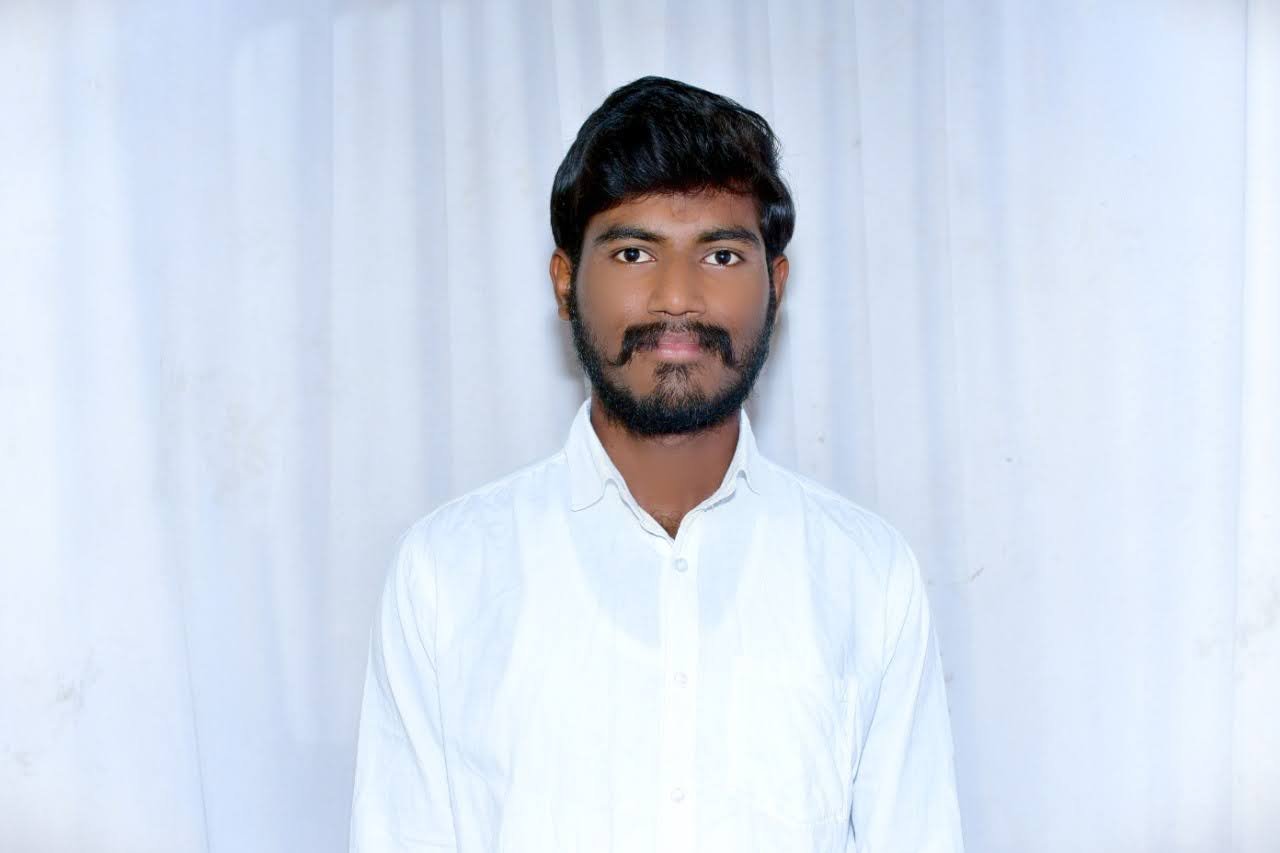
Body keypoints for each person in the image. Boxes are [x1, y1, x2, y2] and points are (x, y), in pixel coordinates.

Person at [349, 76, 964, 852]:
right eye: (634, 252)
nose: (677, 297)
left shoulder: (867, 576)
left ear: (775, 285)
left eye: (721, 253)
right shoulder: (445, 575)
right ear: (565, 281)